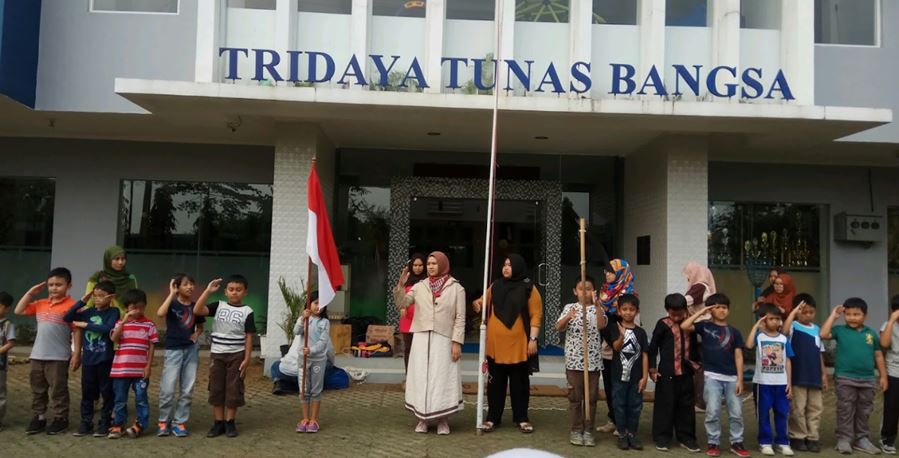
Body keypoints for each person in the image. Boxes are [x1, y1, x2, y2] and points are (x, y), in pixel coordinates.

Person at [395, 251, 465, 435]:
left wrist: (457, 342)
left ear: (442, 264)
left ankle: (443, 420)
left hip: (444, 339)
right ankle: (422, 419)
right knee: (422, 378)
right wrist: (401, 285)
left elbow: (460, 318)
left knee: (442, 378)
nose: (431, 266)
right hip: (421, 338)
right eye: (429, 263)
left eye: (434, 263)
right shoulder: (420, 286)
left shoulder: (456, 288)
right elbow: (402, 302)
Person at [473, 254, 543, 434]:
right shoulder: (496, 286)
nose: (505, 268)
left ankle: (522, 418)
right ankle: (492, 418)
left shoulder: (529, 287)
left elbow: (536, 315)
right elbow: (483, 300)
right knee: (495, 385)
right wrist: (478, 304)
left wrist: (533, 339)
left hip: (519, 346)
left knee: (519, 384)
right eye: (504, 264)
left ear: (518, 267)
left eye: (510, 265)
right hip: (495, 346)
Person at [681, 293, 750, 458]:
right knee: (712, 411)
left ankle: (737, 442)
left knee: (736, 412)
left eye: (724, 307)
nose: (721, 310)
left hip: (732, 378)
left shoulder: (734, 332)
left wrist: (740, 379)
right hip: (712, 377)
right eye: (717, 307)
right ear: (711, 309)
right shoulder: (704, 327)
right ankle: (713, 442)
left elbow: (739, 356)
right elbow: (685, 325)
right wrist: (702, 311)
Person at [820, 298, 889, 455]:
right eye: (848, 314)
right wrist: (833, 316)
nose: (852, 317)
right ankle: (844, 439)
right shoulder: (839, 330)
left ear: (865, 315)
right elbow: (823, 334)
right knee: (846, 409)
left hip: (868, 379)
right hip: (845, 378)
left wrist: (883, 377)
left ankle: (861, 439)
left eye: (856, 314)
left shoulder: (871, 333)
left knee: (864, 410)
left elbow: (878, 356)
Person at [15, 267, 77, 435]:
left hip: (58, 356)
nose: (54, 288)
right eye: (51, 285)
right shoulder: (40, 304)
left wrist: (77, 353)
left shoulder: (73, 306)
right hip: (37, 355)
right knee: (38, 388)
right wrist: (30, 293)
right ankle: (39, 417)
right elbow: (18, 310)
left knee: (58, 389)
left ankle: (60, 418)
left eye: (59, 284)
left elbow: (77, 331)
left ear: (68, 286)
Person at [194, 275, 256, 438]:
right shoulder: (218, 306)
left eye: (238, 290)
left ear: (245, 292)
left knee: (233, 389)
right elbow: (197, 310)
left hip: (237, 355)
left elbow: (249, 335)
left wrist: (247, 358)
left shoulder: (247, 311)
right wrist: (207, 291)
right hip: (217, 355)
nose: (234, 293)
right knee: (216, 388)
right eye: (231, 289)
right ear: (226, 292)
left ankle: (230, 422)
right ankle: (218, 422)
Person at [62, 281, 120, 437]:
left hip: (105, 360)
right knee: (87, 393)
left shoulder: (113, 312)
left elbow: (107, 328)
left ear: (111, 297)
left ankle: (105, 422)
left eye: (101, 296)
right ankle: (86, 422)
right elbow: (67, 317)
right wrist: (83, 300)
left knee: (107, 393)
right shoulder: (88, 311)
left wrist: (85, 325)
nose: (97, 299)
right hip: (89, 361)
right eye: (95, 296)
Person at [555, 275, 606, 447]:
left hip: (592, 361)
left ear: (594, 291)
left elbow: (601, 325)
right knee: (575, 397)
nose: (585, 292)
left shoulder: (598, 308)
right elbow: (558, 327)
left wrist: (597, 305)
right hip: (574, 360)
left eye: (589, 288)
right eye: (581, 289)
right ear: (575, 291)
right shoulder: (570, 307)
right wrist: (569, 316)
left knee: (591, 398)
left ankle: (588, 430)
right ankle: (576, 429)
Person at [649, 293, 701, 453]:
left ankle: (687, 437)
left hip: (686, 373)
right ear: (667, 310)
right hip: (667, 373)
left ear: (686, 309)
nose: (677, 317)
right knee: (665, 406)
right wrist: (652, 368)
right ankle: (662, 437)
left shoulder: (691, 324)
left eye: (680, 313)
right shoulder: (662, 324)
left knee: (686, 407)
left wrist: (697, 365)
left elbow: (696, 345)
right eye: (673, 314)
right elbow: (653, 347)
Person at [156, 274, 205, 437]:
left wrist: (196, 335)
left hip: (191, 350)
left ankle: (179, 422)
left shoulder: (195, 306)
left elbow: (200, 326)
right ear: (177, 287)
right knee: (168, 388)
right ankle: (163, 421)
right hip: (173, 350)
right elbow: (160, 313)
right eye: (185, 284)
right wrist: (171, 294)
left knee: (187, 388)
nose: (190, 287)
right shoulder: (172, 303)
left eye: (192, 284)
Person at [108, 289, 158, 439]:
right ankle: (118, 424)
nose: (138, 311)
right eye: (134, 307)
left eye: (141, 307)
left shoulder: (149, 325)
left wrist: (148, 366)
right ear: (126, 308)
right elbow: (114, 339)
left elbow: (152, 346)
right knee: (120, 399)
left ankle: (140, 425)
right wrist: (124, 321)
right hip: (121, 370)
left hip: (140, 371)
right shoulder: (119, 323)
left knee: (141, 398)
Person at [746, 307, 794, 456]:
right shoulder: (759, 336)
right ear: (763, 320)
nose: (775, 321)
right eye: (771, 318)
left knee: (782, 413)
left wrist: (789, 383)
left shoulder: (784, 339)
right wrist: (756, 326)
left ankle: (782, 442)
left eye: (777, 319)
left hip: (781, 383)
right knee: (763, 413)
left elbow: (787, 361)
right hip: (763, 383)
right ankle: (765, 442)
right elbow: (748, 345)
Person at [781, 294, 826, 453]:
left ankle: (813, 437)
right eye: (803, 312)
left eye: (811, 312)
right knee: (797, 408)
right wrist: (793, 313)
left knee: (815, 407)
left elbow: (819, 352)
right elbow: (784, 331)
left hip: (814, 376)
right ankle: (798, 436)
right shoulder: (792, 325)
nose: (807, 315)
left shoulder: (817, 329)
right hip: (798, 374)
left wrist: (823, 374)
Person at [606, 294, 648, 451]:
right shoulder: (614, 328)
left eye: (631, 309)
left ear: (637, 311)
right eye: (624, 309)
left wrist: (644, 377)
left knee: (635, 406)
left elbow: (644, 355)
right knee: (619, 405)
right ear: (619, 310)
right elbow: (616, 348)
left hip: (636, 378)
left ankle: (632, 434)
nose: (628, 312)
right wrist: (622, 336)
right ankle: (622, 434)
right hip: (618, 377)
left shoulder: (641, 333)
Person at [295, 291, 334, 433]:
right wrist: (301, 319)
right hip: (303, 360)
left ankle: (314, 420)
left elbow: (323, 343)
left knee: (316, 390)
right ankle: (304, 419)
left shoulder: (325, 323)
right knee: (304, 390)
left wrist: (311, 350)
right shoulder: (304, 319)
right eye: (316, 303)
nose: (319, 307)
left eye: (321, 304)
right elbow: (296, 332)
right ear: (309, 304)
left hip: (318, 360)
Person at [682, 261, 717, 412]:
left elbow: (684, 301)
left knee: (699, 365)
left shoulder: (699, 287)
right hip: (703, 327)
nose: (688, 279)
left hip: (700, 327)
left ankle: (700, 402)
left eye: (688, 275)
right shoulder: (704, 286)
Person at [397, 253, 427, 374]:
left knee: (421, 350)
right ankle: (409, 377)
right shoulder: (405, 279)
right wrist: (401, 306)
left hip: (422, 319)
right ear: (411, 266)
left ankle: (420, 377)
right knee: (408, 349)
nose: (417, 268)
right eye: (415, 265)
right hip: (407, 319)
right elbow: (399, 298)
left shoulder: (428, 280)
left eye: (420, 265)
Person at [86, 245, 137, 315]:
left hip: (124, 320)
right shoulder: (98, 277)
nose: (120, 262)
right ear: (108, 260)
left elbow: (134, 302)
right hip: (101, 319)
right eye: (117, 259)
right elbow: (89, 302)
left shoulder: (130, 278)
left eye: (123, 259)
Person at [880, 295, 899, 455]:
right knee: (892, 408)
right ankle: (888, 440)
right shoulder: (888, 325)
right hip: (894, 372)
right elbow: (884, 344)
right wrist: (892, 321)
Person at [0, 291, 17, 432]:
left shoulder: (7, 325)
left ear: (7, 309)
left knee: (0, 393)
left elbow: (11, 343)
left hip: (0, 366)